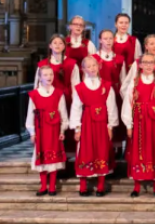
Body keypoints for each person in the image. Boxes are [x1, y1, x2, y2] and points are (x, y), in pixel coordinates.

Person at [121, 53, 155, 197]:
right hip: (139, 123)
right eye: (146, 63)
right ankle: (137, 186)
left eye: (151, 63)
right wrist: (128, 125)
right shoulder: (134, 83)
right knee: (139, 152)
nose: (149, 65)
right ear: (140, 65)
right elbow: (128, 104)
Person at [70, 56, 118, 197]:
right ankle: (83, 185)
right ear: (83, 69)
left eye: (94, 65)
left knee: (101, 150)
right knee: (85, 151)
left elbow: (112, 107)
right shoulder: (79, 88)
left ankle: (101, 185)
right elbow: (76, 108)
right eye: (89, 66)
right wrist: (77, 128)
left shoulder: (107, 86)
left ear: (98, 67)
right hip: (87, 123)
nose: (92, 68)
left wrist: (111, 126)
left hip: (102, 124)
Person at [25, 66, 68, 196]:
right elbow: (30, 115)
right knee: (41, 156)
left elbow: (63, 114)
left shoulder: (58, 94)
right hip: (41, 130)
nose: (49, 77)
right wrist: (32, 132)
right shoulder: (34, 95)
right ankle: (43, 186)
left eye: (50, 74)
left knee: (53, 157)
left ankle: (52, 186)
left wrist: (62, 130)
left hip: (54, 131)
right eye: (45, 75)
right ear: (40, 77)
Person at [35, 34, 80, 153]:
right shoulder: (43, 64)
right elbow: (38, 84)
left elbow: (76, 84)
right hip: (49, 99)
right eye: (55, 43)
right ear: (50, 46)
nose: (57, 45)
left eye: (60, 43)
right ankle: (51, 155)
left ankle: (68, 156)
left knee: (67, 127)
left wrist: (76, 102)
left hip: (67, 98)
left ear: (64, 46)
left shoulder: (71, 63)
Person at [91, 30, 127, 152]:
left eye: (110, 38)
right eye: (105, 38)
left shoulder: (120, 59)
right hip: (98, 94)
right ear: (100, 40)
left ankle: (116, 149)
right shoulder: (94, 58)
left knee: (114, 120)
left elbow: (123, 78)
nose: (108, 41)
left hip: (115, 93)